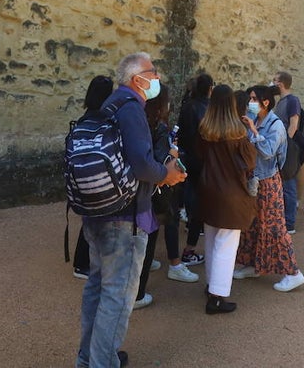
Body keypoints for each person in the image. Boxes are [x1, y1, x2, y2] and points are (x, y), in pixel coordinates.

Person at [74, 52, 185, 367]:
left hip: (98, 211)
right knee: (118, 296)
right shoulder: (132, 107)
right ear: (138, 79)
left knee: (97, 290)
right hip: (124, 217)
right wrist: (169, 174)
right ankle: (102, 362)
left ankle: (91, 358)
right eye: (153, 73)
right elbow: (141, 165)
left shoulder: (110, 104)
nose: (157, 78)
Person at [232, 85, 304, 292]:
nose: (250, 103)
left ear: (265, 102)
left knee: (274, 227)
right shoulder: (254, 119)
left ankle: (293, 273)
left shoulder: (276, 125)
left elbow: (267, 151)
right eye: (249, 99)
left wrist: (253, 132)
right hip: (254, 179)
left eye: (254, 99)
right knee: (252, 225)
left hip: (268, 182)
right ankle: (253, 265)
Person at [134, 82, 199, 311]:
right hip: (156, 189)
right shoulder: (159, 128)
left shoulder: (138, 122)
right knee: (153, 233)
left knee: (144, 237)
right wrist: (172, 154)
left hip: (139, 190)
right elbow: (161, 163)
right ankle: (138, 294)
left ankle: (140, 282)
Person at [197, 84, 258, 314]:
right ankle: (218, 297)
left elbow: (198, 155)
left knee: (211, 238)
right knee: (226, 244)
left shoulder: (205, 129)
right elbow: (250, 162)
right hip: (232, 192)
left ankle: (211, 285)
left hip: (208, 189)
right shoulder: (238, 131)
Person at [72, 75, 116, 279]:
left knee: (89, 219)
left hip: (82, 176)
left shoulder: (84, 119)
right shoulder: (105, 119)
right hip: (100, 176)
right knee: (97, 220)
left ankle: (82, 262)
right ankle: (83, 263)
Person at [176, 73, 213, 267]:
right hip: (204, 162)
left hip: (187, 159)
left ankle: (191, 238)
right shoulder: (208, 109)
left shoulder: (187, 106)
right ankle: (190, 250)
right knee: (202, 204)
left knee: (191, 199)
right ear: (209, 88)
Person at [269, 71, 302, 232]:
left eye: (274, 80)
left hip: (287, 148)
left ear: (280, 83)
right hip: (281, 147)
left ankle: (289, 223)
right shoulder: (281, 102)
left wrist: (284, 145)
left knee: (289, 185)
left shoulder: (292, 101)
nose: (272, 83)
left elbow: (293, 125)